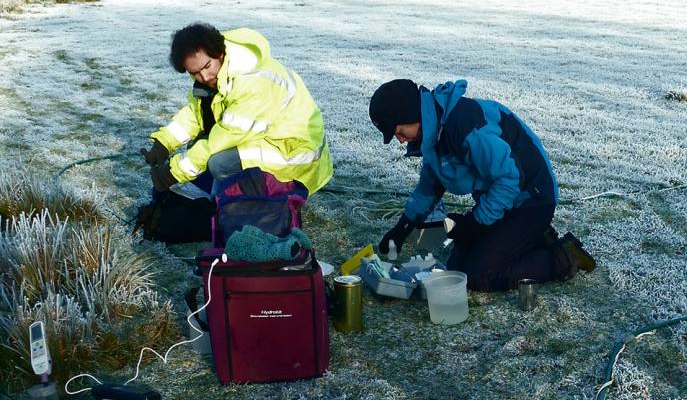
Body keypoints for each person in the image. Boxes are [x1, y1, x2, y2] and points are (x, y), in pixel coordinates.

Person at [368, 78, 595, 292]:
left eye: (399, 131)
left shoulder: (465, 127)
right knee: (457, 269)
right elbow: (431, 185)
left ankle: (564, 257)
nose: (400, 139)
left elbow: (510, 179)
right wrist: (403, 228)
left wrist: (475, 223)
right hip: (500, 202)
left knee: (479, 275)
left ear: (413, 115)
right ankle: (529, 240)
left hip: (531, 201)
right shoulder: (433, 131)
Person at [141, 23, 332, 239]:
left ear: (218, 53)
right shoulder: (219, 72)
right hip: (264, 138)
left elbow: (221, 140)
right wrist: (164, 142)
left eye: (206, 66)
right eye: (194, 73)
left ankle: (247, 210)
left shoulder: (254, 81)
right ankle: (229, 202)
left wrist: (174, 172)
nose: (204, 77)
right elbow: (196, 115)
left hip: (294, 151)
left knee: (219, 162)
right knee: (199, 147)